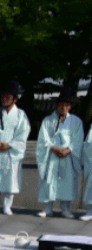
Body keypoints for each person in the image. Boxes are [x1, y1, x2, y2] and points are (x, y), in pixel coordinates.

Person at [0, 80, 30, 215]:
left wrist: (10, 144)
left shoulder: (21, 115)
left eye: (7, 97)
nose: (4, 99)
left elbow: (23, 133)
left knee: (10, 179)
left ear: (15, 99)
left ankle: (7, 205)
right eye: (3, 96)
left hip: (11, 151)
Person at [36, 86, 83, 218]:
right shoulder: (48, 120)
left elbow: (78, 139)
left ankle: (65, 209)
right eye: (61, 104)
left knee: (66, 181)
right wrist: (54, 148)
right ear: (57, 105)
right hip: (52, 155)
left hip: (67, 156)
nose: (63, 107)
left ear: (70, 106)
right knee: (49, 180)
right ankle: (47, 208)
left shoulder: (76, 122)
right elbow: (43, 139)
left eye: (66, 105)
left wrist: (69, 150)